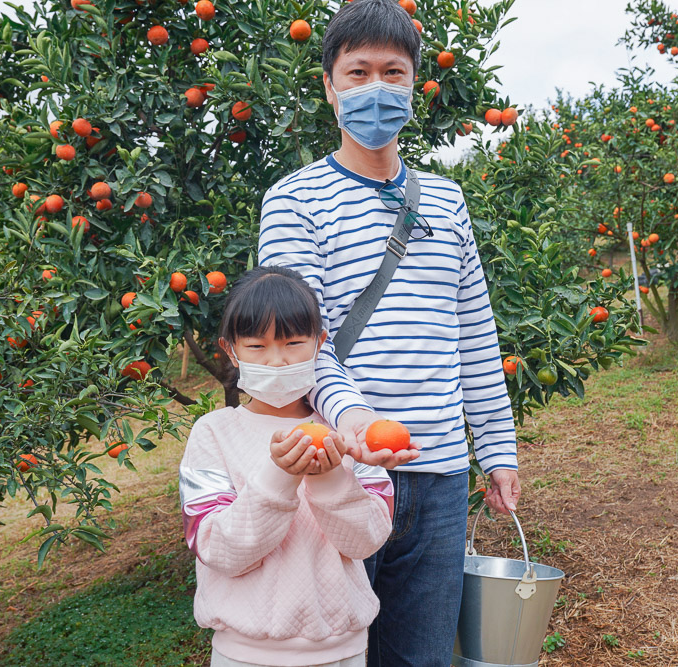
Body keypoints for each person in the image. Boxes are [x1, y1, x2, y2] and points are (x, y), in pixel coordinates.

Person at [257, 0, 522, 664]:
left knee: (421, 657)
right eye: (358, 72)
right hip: (336, 475)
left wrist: (498, 449)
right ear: (330, 86)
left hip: (437, 476)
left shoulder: (447, 201)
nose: (376, 87)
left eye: (393, 72)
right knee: (327, 652)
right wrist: (353, 418)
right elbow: (295, 346)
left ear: (413, 85)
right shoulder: (294, 200)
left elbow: (475, 334)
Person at [178, 265, 394, 667]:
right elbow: (219, 549)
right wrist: (279, 476)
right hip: (246, 656)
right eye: (257, 347)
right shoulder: (214, 434)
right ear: (231, 350)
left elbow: (366, 541)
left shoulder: (348, 434)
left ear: (319, 343)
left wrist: (330, 478)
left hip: (341, 652)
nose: (277, 361)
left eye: (293, 342)